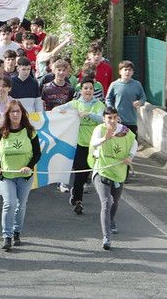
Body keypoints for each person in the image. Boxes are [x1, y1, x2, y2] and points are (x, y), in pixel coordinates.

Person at [0, 100, 41, 251]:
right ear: (8, 114)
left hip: (25, 176)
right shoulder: (0, 130)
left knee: (21, 205)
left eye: (18, 111)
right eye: (13, 112)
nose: (16, 114)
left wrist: (28, 166)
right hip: (6, 175)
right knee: (9, 203)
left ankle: (17, 231)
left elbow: (37, 153)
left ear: (22, 113)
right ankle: (7, 236)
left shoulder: (30, 131)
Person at [89, 107, 137, 250]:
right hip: (101, 171)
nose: (112, 120)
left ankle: (111, 220)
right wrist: (105, 138)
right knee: (106, 201)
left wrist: (130, 157)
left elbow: (134, 144)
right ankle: (106, 237)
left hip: (119, 173)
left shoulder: (126, 132)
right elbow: (93, 143)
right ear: (104, 119)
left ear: (117, 118)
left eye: (114, 117)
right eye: (109, 118)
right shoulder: (100, 129)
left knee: (115, 202)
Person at [55, 77, 105, 213]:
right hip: (78, 144)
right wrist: (67, 113)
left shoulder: (99, 105)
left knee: (87, 172)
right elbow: (56, 110)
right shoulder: (75, 104)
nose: (88, 91)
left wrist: (88, 114)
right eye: (86, 88)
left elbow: (102, 119)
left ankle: (76, 193)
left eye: (91, 88)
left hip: (94, 145)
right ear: (81, 90)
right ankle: (78, 199)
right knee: (80, 172)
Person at [104, 60, 146, 138]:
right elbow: (108, 99)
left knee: (132, 143)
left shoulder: (137, 84)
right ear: (120, 72)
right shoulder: (114, 85)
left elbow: (143, 98)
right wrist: (112, 110)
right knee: (118, 143)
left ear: (133, 72)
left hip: (132, 120)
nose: (127, 72)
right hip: (118, 120)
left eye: (130, 70)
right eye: (125, 70)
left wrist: (140, 102)